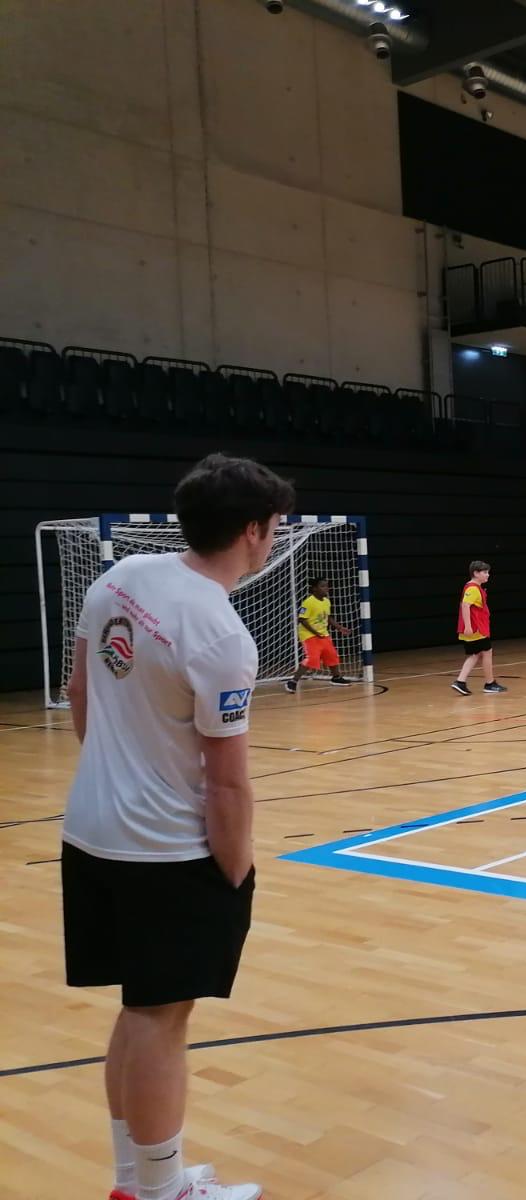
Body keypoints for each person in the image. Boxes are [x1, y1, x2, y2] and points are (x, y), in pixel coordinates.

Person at [62, 452, 294, 1200]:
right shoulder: (221, 634)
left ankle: (138, 1180)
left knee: (141, 1010)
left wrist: (117, 773)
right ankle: (163, 1193)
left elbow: (79, 690)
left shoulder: (118, 578)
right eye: (274, 526)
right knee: (163, 1018)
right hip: (164, 851)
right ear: (253, 531)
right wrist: (236, 870)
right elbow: (226, 783)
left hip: (89, 832)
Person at [285, 576, 353, 692]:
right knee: (312, 658)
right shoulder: (308, 602)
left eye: (327, 586)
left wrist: (340, 628)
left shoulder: (326, 601)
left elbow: (328, 618)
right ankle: (293, 681)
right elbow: (302, 619)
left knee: (332, 655)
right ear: (314, 588)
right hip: (309, 635)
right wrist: (315, 632)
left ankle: (336, 678)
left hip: (323, 634)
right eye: (322, 586)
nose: (326, 588)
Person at [453, 560, 506, 695]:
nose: (488, 575)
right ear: (476, 573)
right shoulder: (473, 588)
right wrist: (468, 626)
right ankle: (489, 683)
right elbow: (465, 605)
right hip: (476, 629)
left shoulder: (474, 587)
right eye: (485, 572)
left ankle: (460, 682)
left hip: (476, 628)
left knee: (475, 654)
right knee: (487, 652)